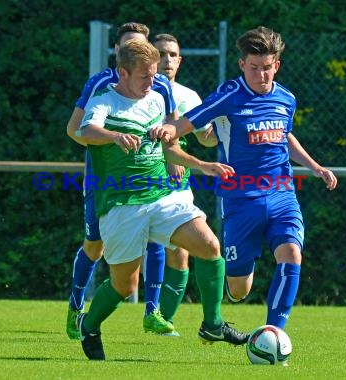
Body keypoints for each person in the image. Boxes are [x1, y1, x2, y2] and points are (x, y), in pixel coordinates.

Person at [150, 26, 338, 338]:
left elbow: (284, 136)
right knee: (239, 289)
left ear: (276, 65)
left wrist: (315, 166)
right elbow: (190, 121)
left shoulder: (286, 98)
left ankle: (273, 335)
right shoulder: (228, 95)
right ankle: (225, 298)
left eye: (267, 68)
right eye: (254, 68)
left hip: (281, 192)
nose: (261, 75)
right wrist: (169, 132)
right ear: (242, 65)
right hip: (239, 198)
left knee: (292, 254)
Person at [74, 39, 249, 360]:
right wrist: (114, 136)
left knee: (210, 247)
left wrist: (202, 165)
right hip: (122, 205)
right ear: (123, 73)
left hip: (163, 197)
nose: (151, 82)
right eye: (144, 76)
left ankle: (213, 324)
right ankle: (90, 324)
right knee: (124, 286)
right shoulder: (105, 100)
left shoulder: (156, 99)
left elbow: (170, 147)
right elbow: (85, 130)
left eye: (154, 75)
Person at [65, 22, 178, 339]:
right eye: (128, 46)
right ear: (118, 53)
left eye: (141, 45)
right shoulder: (101, 85)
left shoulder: (159, 88)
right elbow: (75, 131)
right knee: (94, 246)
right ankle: (76, 307)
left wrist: (171, 157)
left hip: (147, 181)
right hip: (104, 184)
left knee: (156, 236)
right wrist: (111, 143)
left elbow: (168, 131)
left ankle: (152, 311)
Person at [151, 33, 217, 336]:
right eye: (161, 53)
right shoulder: (137, 92)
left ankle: (161, 320)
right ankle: (83, 312)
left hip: (177, 189)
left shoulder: (189, 96)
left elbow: (205, 137)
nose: (167, 59)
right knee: (122, 262)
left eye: (172, 54)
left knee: (181, 252)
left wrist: (224, 128)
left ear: (180, 60)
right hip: (137, 188)